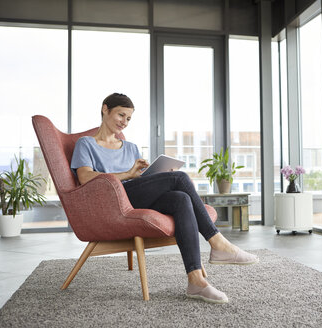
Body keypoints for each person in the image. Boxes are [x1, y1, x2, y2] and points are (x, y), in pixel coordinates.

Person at [70, 93, 258, 304]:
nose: (124, 122)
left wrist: (150, 177)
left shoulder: (130, 147)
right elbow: (85, 177)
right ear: (105, 109)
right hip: (113, 202)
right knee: (179, 178)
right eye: (121, 115)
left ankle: (196, 280)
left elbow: (137, 181)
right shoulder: (86, 144)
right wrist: (128, 175)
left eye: (129, 119)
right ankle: (218, 243)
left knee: (180, 199)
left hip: (135, 196)